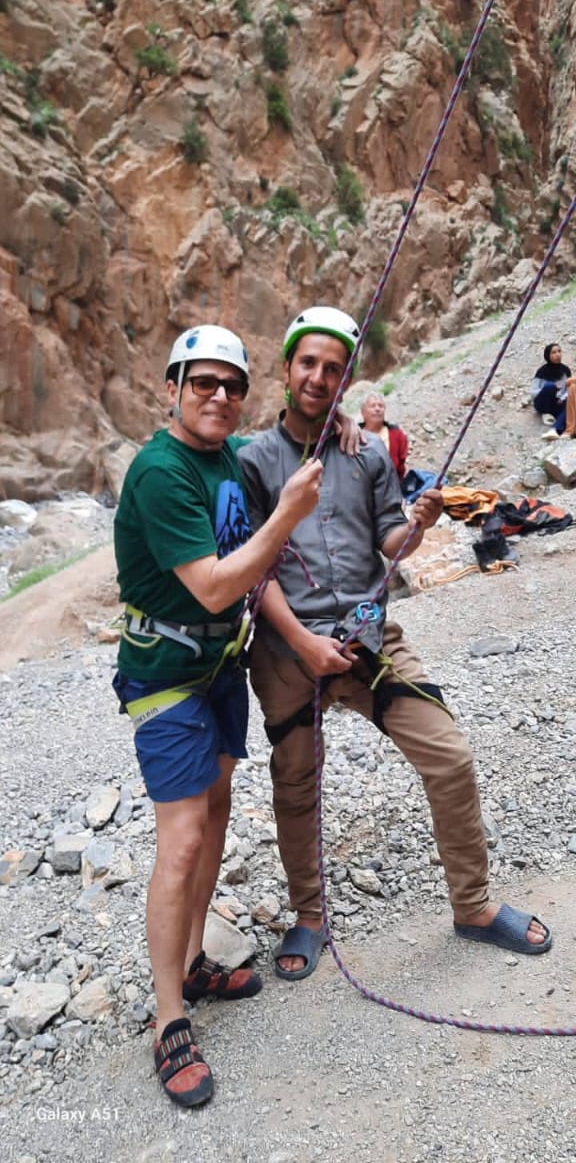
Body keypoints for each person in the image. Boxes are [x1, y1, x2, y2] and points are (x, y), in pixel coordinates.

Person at [239, 306, 552, 981]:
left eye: (333, 367)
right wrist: (300, 643)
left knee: (449, 756)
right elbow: (252, 567)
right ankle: (309, 916)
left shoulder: (368, 453)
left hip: (368, 639)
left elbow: (390, 545)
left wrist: (419, 524)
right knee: (295, 783)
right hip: (287, 651)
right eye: (308, 363)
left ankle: (472, 907)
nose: (319, 377)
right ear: (287, 368)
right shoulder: (252, 462)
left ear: (347, 376)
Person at [113, 324, 323, 1108]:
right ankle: (169, 1019)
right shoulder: (160, 472)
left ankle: (195, 960)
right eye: (202, 382)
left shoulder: (226, 461)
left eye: (232, 385)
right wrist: (288, 517)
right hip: (165, 674)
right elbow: (210, 583)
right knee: (185, 837)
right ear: (173, 388)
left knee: (219, 808)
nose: (219, 396)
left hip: (216, 668)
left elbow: (248, 560)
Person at [360, 391, 408, 482]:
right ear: (363, 412)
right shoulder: (354, 434)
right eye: (372, 406)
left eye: (381, 406)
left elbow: (401, 466)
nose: (377, 409)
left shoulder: (397, 435)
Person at [532, 342, 571, 438]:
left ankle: (555, 430)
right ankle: (546, 413)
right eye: (553, 352)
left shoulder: (566, 370)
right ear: (548, 355)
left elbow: (569, 389)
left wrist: (562, 397)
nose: (558, 354)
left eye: (559, 351)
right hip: (542, 403)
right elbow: (533, 392)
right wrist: (553, 388)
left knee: (570, 403)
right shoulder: (542, 371)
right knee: (550, 386)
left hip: (557, 403)